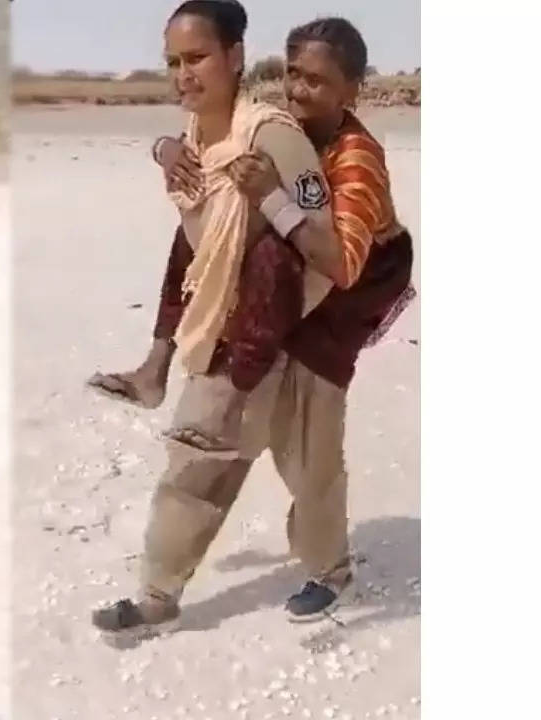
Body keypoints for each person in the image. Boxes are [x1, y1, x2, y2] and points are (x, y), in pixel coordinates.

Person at [90, 9, 414, 637]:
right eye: (293, 75)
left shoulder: (355, 160)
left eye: (317, 82)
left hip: (339, 305)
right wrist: (164, 149)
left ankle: (331, 572)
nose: (299, 90)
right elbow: (210, 168)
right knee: (202, 445)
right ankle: (158, 593)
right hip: (273, 299)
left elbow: (343, 264)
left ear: (352, 90)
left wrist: (269, 196)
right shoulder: (274, 126)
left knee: (309, 457)